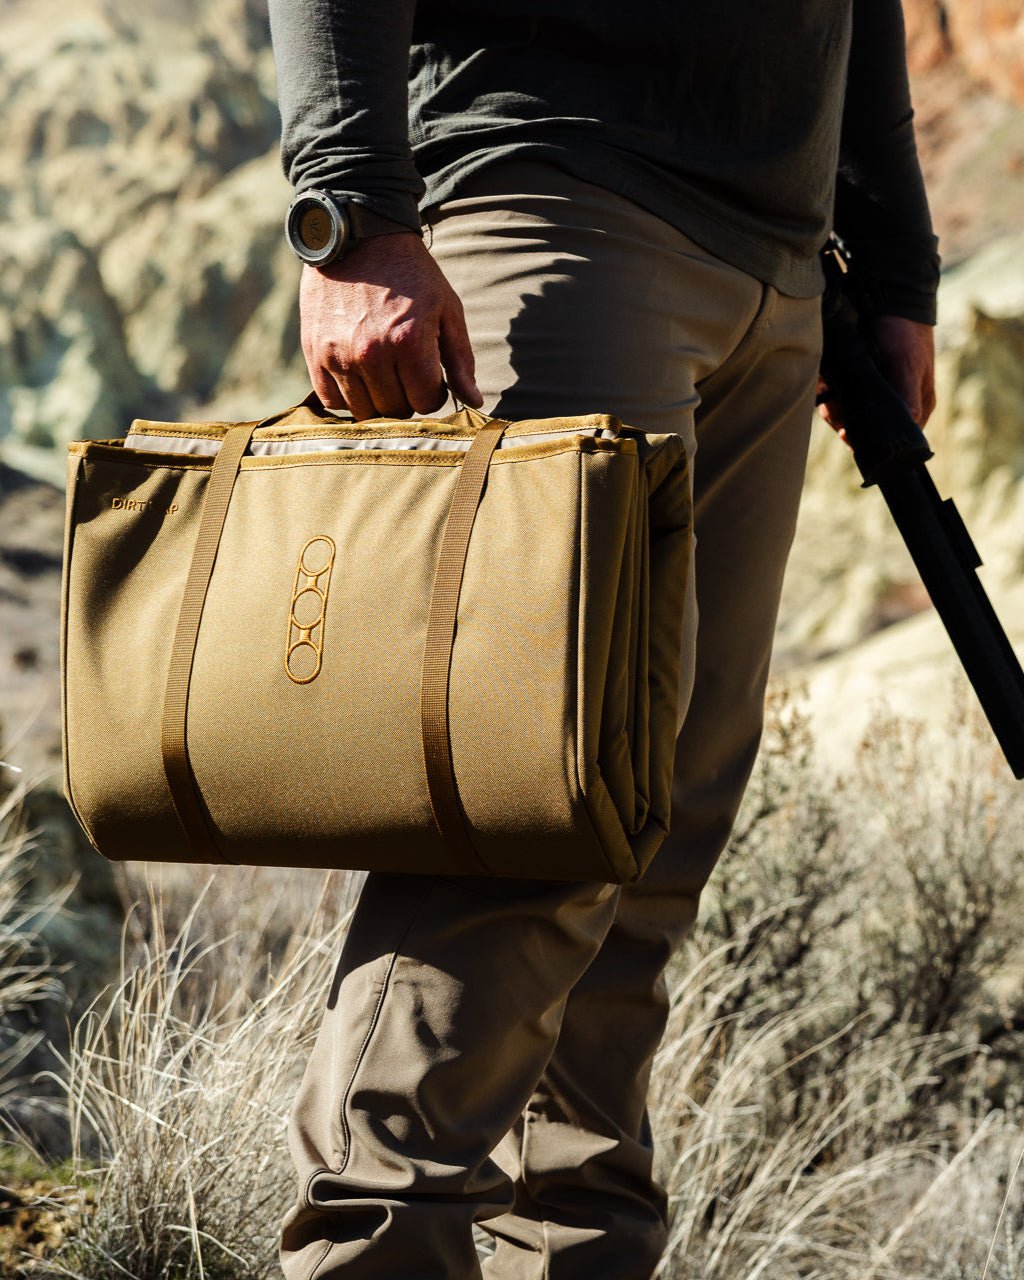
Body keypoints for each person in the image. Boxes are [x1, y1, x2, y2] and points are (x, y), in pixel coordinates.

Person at [266, 3, 939, 1277]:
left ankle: (577, 1252)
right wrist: (350, 213)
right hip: (558, 205)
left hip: (779, 269)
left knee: (662, 829)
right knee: (535, 796)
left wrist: (896, 270)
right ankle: (375, 1249)